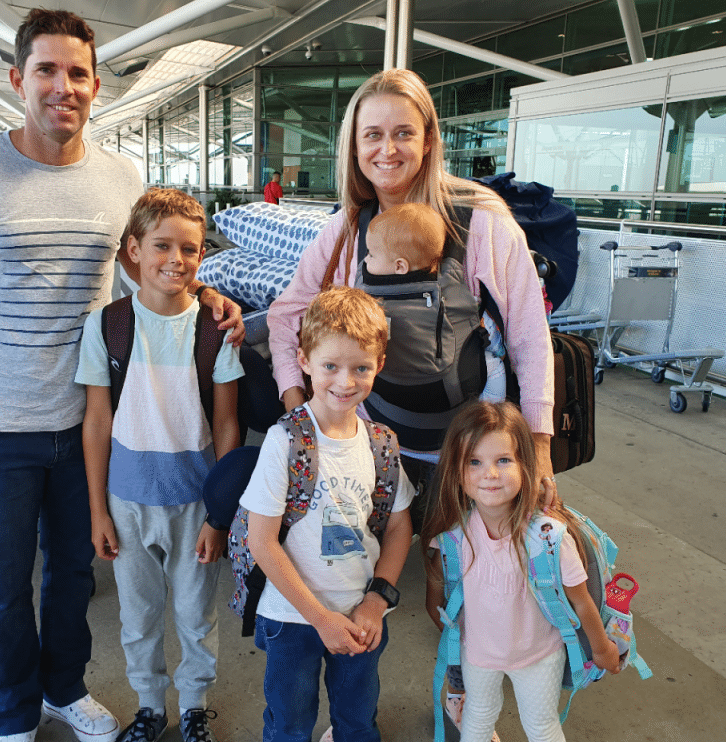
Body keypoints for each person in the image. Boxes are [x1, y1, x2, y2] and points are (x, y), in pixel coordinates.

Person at [0, 8, 243, 742]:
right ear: (18, 79)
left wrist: (207, 293)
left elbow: (155, 266)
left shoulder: (120, 177)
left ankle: (64, 688)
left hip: (91, 422)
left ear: (96, 87)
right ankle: (14, 716)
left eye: (78, 73)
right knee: (0, 588)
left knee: (77, 579)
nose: (64, 86)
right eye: (47, 70)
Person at [266, 68, 557, 506]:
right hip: (371, 438)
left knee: (471, 565)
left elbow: (530, 337)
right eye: (372, 135)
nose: (387, 150)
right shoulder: (345, 231)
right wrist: (298, 408)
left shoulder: (482, 222)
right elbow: (287, 314)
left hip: (472, 445)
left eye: (403, 132)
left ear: (427, 140)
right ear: (354, 146)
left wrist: (539, 447)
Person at [76, 187, 242, 742]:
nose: (176, 259)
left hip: (195, 501)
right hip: (126, 503)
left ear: (202, 257)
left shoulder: (214, 330)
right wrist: (98, 509)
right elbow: (97, 422)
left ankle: (194, 707)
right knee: (138, 617)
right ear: (133, 250)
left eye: (190, 249)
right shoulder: (106, 327)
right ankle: (150, 706)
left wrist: (221, 514)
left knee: (197, 616)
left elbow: (226, 426)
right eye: (162, 245)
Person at [241, 287, 414, 742]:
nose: (345, 381)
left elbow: (398, 526)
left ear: (379, 363)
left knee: (357, 721)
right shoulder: (286, 441)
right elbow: (261, 541)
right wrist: (320, 618)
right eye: (331, 367)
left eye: (361, 367)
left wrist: (377, 602)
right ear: (303, 360)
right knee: (289, 723)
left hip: (361, 617)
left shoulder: (381, 444)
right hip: (292, 617)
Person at [421, 402, 621, 742]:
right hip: (479, 655)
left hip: (539, 656)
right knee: (477, 718)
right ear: (456, 470)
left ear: (525, 465)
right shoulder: (452, 539)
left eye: (503, 460)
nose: (490, 474)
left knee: (541, 725)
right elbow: (437, 601)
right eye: (474, 461)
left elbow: (581, 601)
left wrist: (601, 647)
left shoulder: (550, 539)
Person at [362, 203, 506, 403]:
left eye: (370, 255)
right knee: (495, 363)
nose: (365, 261)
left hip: (387, 383)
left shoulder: (366, 290)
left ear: (400, 266)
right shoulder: (448, 283)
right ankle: (490, 406)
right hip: (444, 382)